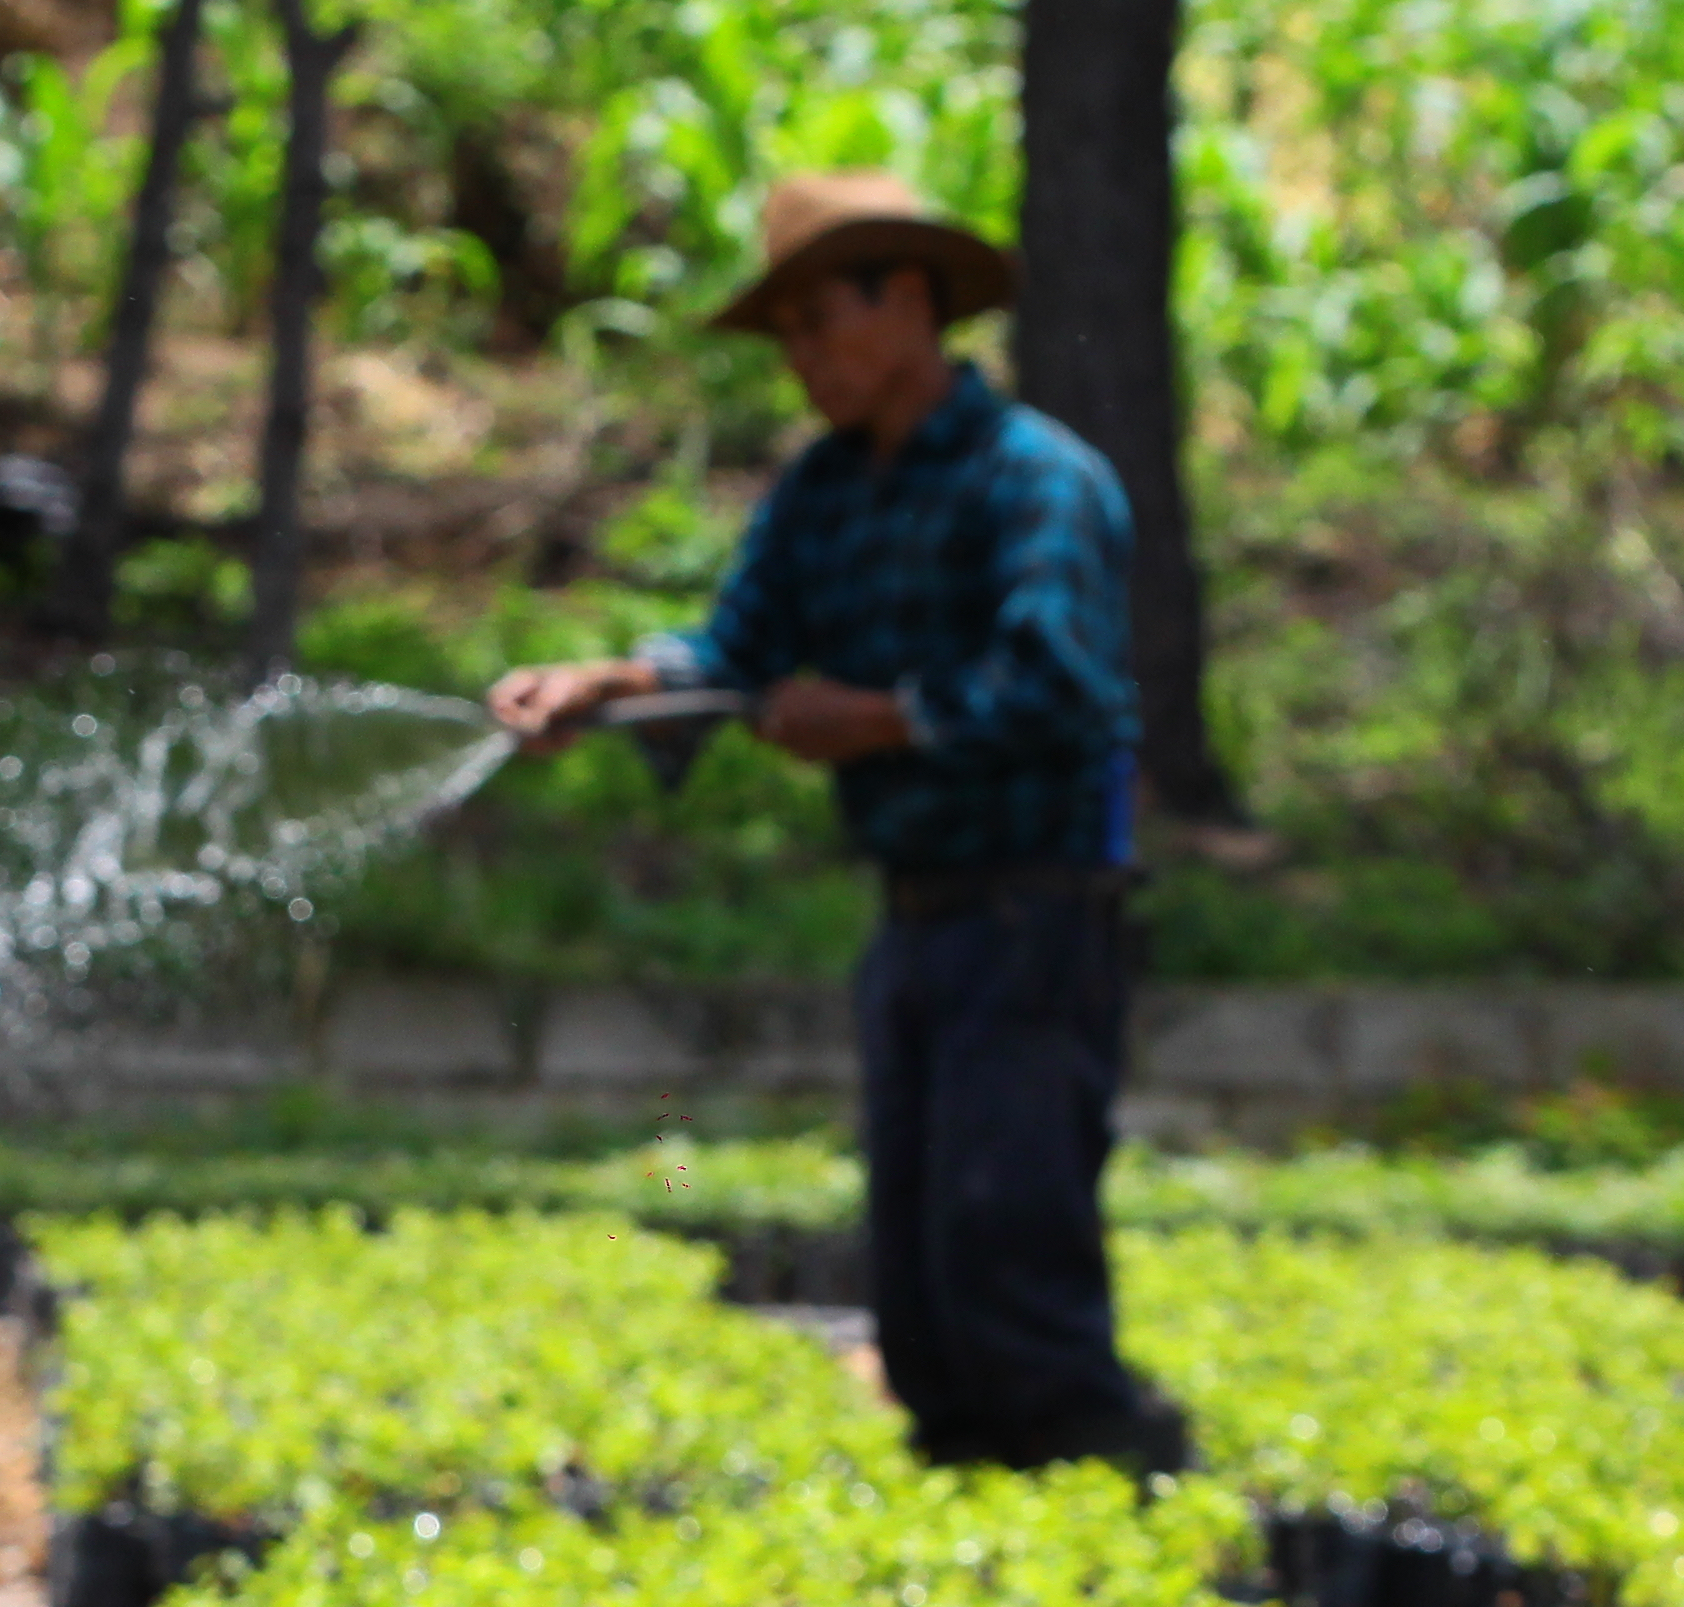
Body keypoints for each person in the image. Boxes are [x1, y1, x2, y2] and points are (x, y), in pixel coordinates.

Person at [491, 170, 1193, 1476]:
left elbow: (1057, 687)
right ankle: (979, 1508)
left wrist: (875, 718)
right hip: (918, 915)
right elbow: (737, 645)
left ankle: (1125, 1502)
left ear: (913, 300)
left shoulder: (1037, 482)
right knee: (923, 1276)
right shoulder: (825, 494)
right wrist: (617, 684)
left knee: (1011, 1247)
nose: (805, 361)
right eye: (791, 336)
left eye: (823, 323)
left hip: (1036, 914)